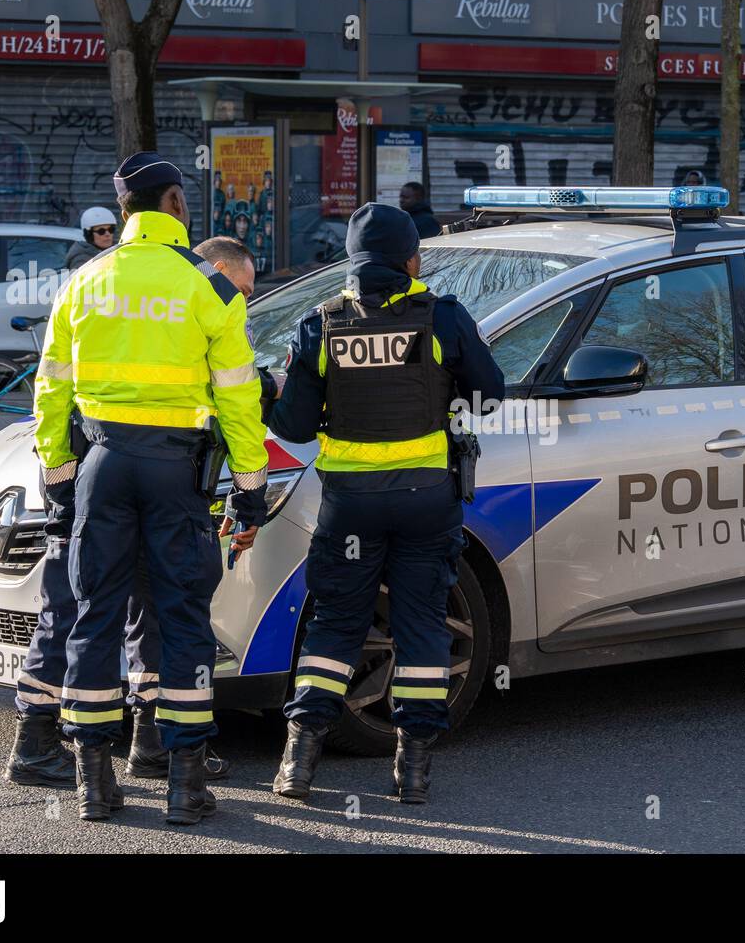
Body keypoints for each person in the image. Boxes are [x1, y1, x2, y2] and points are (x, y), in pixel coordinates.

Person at [33, 151, 268, 825]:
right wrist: (249, 494)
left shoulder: (83, 282)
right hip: (176, 473)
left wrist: (60, 482)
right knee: (183, 618)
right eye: (184, 200)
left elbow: (51, 392)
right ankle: (184, 784)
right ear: (172, 205)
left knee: (95, 614)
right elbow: (239, 403)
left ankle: (92, 785)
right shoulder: (211, 289)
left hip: (103, 466)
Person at [268, 202, 504, 804]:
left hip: (350, 506)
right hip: (425, 498)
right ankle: (414, 768)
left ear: (353, 262)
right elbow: (490, 395)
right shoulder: (443, 317)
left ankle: (299, 761)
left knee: (337, 624)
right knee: (422, 624)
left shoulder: (321, 324)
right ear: (411, 259)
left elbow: (293, 426)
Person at [65, 207, 118, 272]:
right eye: (101, 231)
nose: (107, 234)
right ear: (88, 234)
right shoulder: (81, 260)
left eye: (111, 230)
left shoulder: (117, 250)